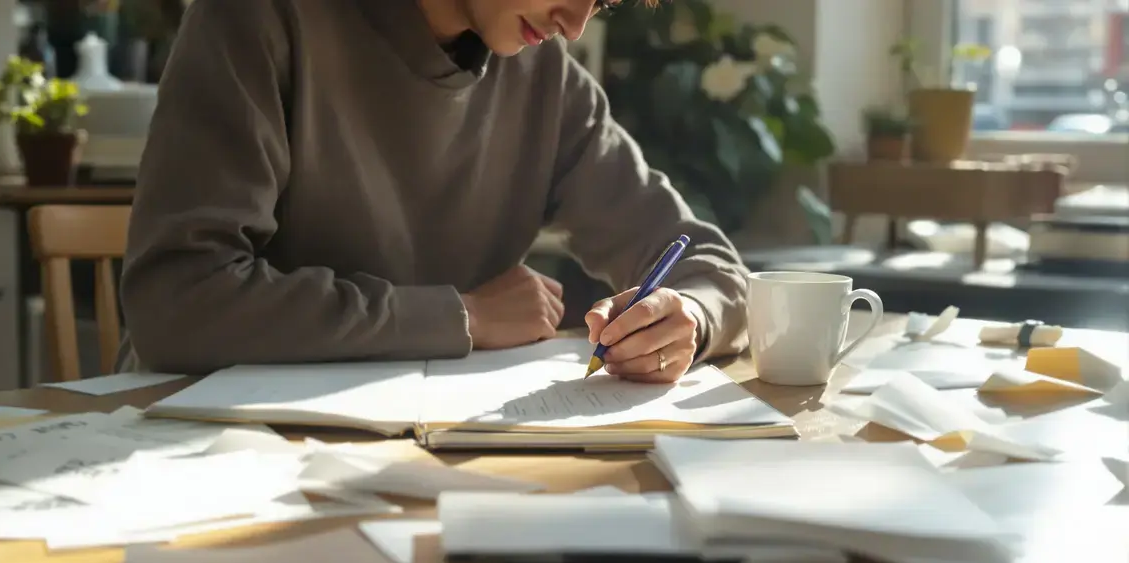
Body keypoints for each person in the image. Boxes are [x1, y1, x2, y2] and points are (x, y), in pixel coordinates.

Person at [118, 0, 752, 384]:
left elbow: (710, 266)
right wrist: (461, 317)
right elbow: (179, 303)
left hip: (422, 466)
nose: (577, 23)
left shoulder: (545, 81)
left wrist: (687, 318)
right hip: (210, 460)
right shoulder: (261, 17)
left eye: (603, 2)